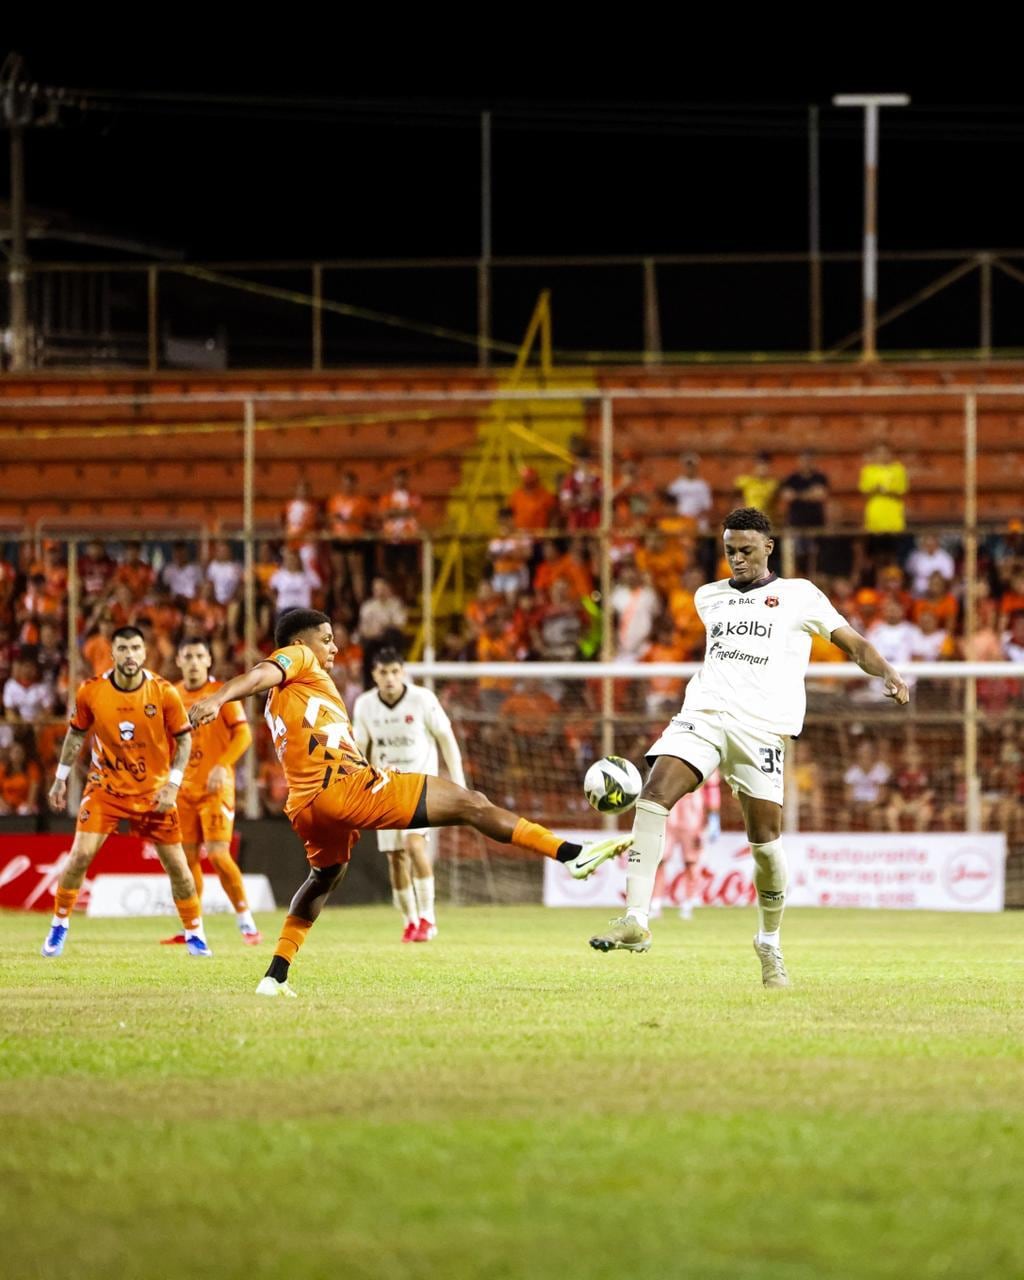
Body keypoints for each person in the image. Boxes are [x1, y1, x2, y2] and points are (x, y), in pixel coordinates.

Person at [187, 608, 630, 997]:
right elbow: (260, 672)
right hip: (346, 788)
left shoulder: (288, 697)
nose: (334, 648)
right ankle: (569, 854)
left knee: (324, 878)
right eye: (326, 639)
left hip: (305, 806)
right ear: (300, 643)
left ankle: (275, 975)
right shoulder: (298, 660)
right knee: (471, 804)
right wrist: (219, 696)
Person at [588, 507, 909, 987]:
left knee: (766, 846)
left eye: (745, 550)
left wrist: (886, 670)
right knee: (653, 798)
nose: (736, 559)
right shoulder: (708, 597)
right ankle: (637, 918)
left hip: (761, 729)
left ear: (768, 548)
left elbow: (854, 644)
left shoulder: (799, 595)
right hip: (704, 715)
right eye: (729, 551)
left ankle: (769, 942)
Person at [41, 626, 210, 958]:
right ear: (113, 652)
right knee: (79, 856)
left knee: (179, 867)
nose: (130, 655)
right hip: (106, 790)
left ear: (144, 653)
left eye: (136, 648)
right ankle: (58, 927)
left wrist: (173, 785)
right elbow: (76, 735)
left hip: (154, 792)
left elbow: (184, 739)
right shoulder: (91, 691)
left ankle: (195, 933)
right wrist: (60, 778)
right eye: (123, 649)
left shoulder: (163, 692)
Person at [352, 648, 466, 943]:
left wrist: (459, 782)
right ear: (374, 675)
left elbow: (446, 738)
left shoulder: (423, 699)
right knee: (396, 858)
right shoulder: (365, 705)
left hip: (420, 786)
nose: (389, 678)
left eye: (394, 671)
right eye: (382, 673)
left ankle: (428, 917)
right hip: (385, 789)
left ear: (402, 672)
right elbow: (359, 750)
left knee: (414, 844)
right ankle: (410, 921)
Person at [162, 637, 259, 947]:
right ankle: (193, 928)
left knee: (218, 854)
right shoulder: (171, 696)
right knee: (187, 860)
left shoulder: (222, 694)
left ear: (208, 660)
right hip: (184, 789)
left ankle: (247, 923)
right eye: (187, 655)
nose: (193, 661)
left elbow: (244, 735)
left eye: (199, 655)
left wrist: (222, 765)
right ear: (178, 661)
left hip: (216, 788)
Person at [666, 453, 713, 531]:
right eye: (687, 466)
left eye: (692, 466)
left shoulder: (703, 486)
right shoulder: (675, 486)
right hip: (680, 524)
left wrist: (693, 519)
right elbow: (669, 505)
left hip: (698, 523)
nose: (689, 468)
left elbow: (707, 506)